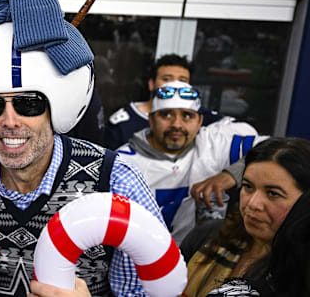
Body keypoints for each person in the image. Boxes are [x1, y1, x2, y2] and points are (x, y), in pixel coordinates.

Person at [117, 81, 259, 243]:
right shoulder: (123, 164)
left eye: (186, 115)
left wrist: (231, 174)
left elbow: (278, 150)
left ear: (199, 122)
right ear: (151, 120)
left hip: (195, 261)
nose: (177, 124)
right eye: (166, 115)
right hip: (139, 263)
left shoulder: (212, 143)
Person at [181, 137, 310, 297]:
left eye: (273, 194)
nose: (252, 203)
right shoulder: (208, 235)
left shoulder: (300, 274)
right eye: (248, 186)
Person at [104, 54, 224, 150]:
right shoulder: (123, 123)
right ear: (151, 84)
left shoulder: (199, 115)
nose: (175, 85)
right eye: (167, 79)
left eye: (182, 81)